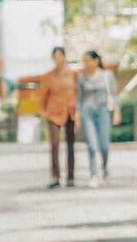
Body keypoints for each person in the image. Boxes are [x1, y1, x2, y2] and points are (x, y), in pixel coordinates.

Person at [76, 50, 120, 188]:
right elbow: (78, 99)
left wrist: (117, 112)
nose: (86, 64)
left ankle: (104, 167)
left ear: (96, 61)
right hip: (87, 112)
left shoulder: (107, 75)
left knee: (104, 146)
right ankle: (94, 174)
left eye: (88, 60)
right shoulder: (81, 78)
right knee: (92, 145)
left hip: (103, 111)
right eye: (84, 61)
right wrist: (77, 117)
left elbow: (114, 94)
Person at [39, 46, 79, 188]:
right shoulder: (48, 76)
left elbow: (77, 93)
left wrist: (78, 112)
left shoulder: (73, 74)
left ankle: (70, 176)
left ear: (64, 57)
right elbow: (42, 95)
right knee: (55, 144)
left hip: (70, 112)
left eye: (59, 56)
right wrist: (43, 111)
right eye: (55, 57)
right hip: (54, 113)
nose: (57, 59)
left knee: (70, 144)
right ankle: (55, 176)